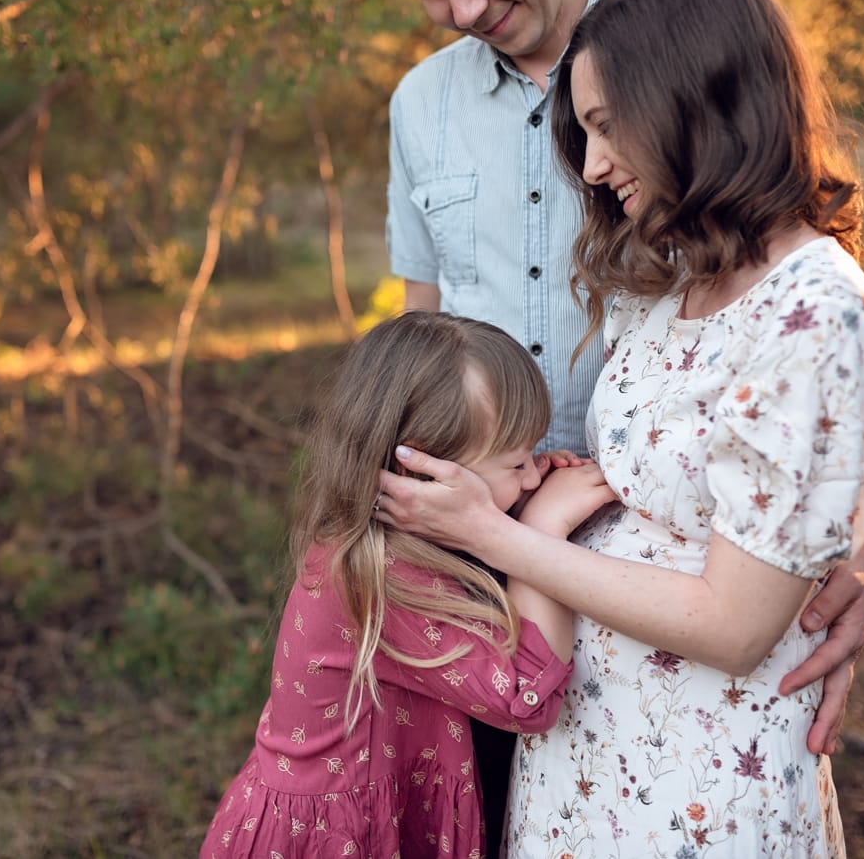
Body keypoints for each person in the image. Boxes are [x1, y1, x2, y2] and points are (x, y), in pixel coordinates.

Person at [377, 0, 864, 853]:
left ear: (697, 102)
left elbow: (745, 601)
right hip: (572, 726)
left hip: (695, 767)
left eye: (607, 128)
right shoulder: (660, 272)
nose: (592, 163)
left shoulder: (809, 298)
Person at [198, 312, 616, 858]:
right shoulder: (380, 573)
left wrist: (511, 509)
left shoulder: (378, 533)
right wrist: (541, 532)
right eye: (516, 462)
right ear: (424, 475)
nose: (535, 476)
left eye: (533, 452)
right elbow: (526, 701)